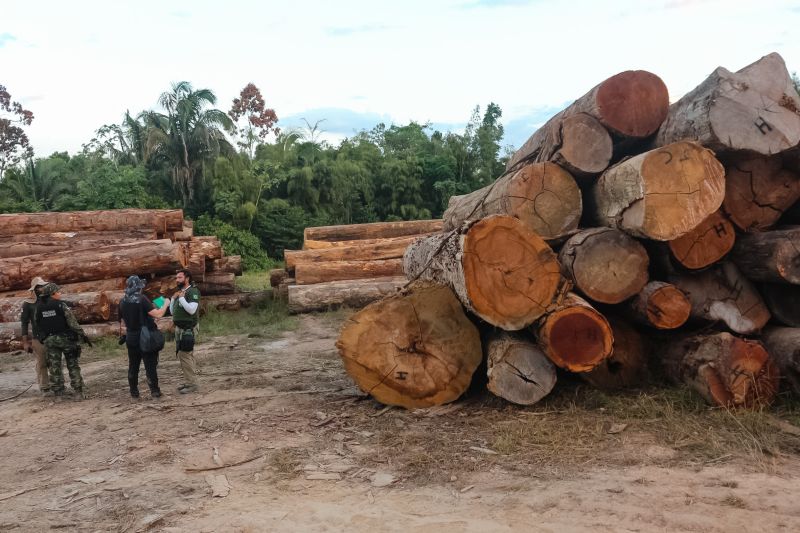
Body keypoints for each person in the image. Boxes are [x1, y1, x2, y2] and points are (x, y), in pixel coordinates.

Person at [33, 283, 91, 399]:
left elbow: (37, 323)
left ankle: (58, 394)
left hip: (50, 341)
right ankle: (78, 392)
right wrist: (82, 334)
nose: (60, 294)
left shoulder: (39, 307)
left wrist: (43, 337)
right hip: (66, 339)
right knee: (72, 364)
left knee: (54, 367)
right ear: (52, 294)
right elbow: (72, 323)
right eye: (58, 292)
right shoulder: (60, 305)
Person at [119, 276, 171, 399]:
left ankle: (134, 393)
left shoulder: (122, 301)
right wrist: (166, 303)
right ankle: (155, 392)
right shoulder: (141, 299)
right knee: (150, 366)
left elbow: (122, 323)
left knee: (133, 366)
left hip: (131, 337)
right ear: (138, 287)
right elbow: (158, 314)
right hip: (145, 338)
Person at [171, 269, 201, 394]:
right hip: (180, 329)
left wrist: (182, 299)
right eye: (176, 278)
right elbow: (173, 312)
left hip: (188, 329)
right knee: (186, 355)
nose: (177, 280)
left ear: (187, 278)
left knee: (185, 355)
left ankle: (192, 384)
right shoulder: (181, 292)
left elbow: (192, 310)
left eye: (179, 277)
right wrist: (173, 299)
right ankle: (190, 381)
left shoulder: (193, 291)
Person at [20, 277, 50, 394]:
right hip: (38, 338)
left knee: (54, 361)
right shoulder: (28, 304)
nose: (42, 288)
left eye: (43, 286)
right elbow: (24, 323)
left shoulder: (48, 300)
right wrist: (25, 342)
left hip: (51, 336)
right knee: (42, 363)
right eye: (40, 286)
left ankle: (57, 385)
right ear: (35, 289)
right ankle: (44, 387)